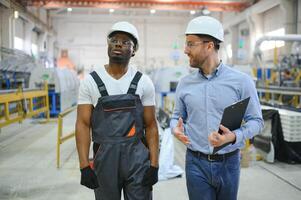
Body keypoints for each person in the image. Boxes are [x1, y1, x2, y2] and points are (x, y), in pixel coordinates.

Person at [170, 16, 264, 200]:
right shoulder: (185, 83)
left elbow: (257, 121)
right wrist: (175, 128)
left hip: (229, 163)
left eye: (191, 44)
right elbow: (176, 116)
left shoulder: (241, 81)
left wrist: (234, 136)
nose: (185, 50)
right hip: (195, 163)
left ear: (209, 45)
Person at [75, 21, 159, 200]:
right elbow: (82, 125)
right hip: (104, 159)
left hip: (137, 159)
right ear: (108, 45)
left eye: (125, 41)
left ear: (134, 49)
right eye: (114, 40)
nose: (118, 44)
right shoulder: (90, 82)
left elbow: (151, 125)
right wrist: (84, 166)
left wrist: (154, 165)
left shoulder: (143, 82)